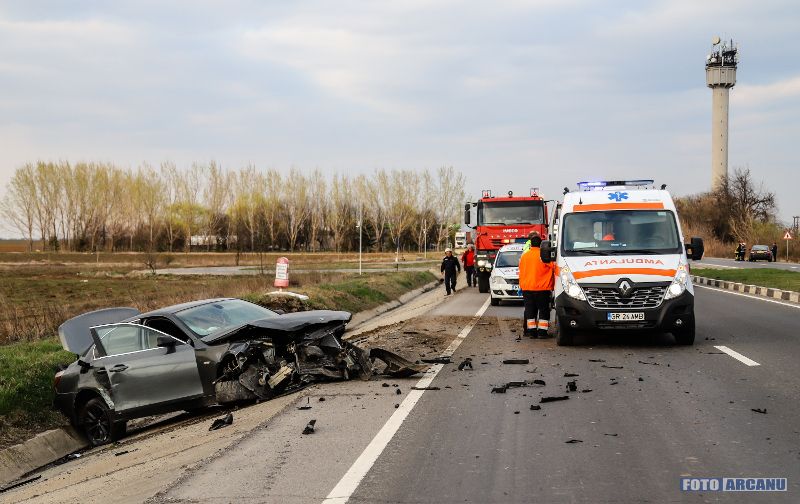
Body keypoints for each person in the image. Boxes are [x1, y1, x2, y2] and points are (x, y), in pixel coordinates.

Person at [518, 232, 555, 338]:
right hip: (542, 288)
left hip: (527, 288)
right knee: (543, 310)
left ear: (531, 244)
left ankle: (532, 332)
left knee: (530, 311)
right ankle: (542, 332)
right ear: (541, 245)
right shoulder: (544, 256)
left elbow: (521, 270)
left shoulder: (524, 256)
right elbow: (553, 267)